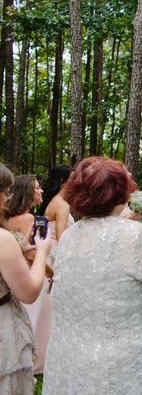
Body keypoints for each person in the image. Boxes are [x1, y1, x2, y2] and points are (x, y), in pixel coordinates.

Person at [43, 157, 142, 394]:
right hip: (129, 355)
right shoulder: (134, 234)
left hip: (76, 352)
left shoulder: (69, 236)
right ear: (120, 193)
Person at [0, 163, 51, 394]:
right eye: (4, 192)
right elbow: (29, 293)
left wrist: (19, 251)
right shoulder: (2, 239)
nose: (6, 199)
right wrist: (41, 252)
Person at [27, 165, 74, 373]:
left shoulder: (51, 202)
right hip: (56, 256)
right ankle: (45, 360)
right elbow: (63, 237)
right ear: (64, 182)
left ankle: (40, 355)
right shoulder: (62, 204)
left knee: (46, 309)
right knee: (52, 310)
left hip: (47, 253)